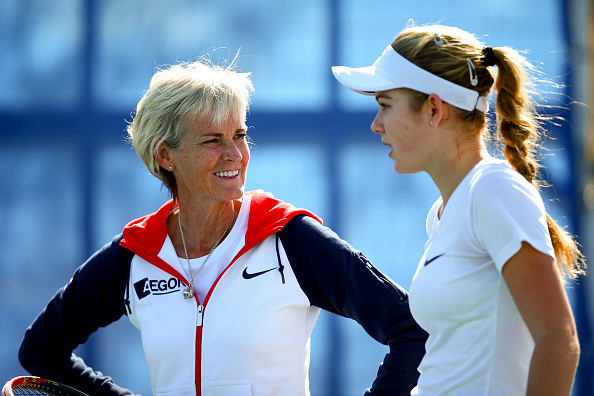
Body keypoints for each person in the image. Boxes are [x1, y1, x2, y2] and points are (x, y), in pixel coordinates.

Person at [18, 56, 427, 396]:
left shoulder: (292, 239)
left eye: (240, 134)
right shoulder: (135, 254)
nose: (235, 154)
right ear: (166, 155)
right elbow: (41, 350)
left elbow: (412, 329)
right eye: (213, 140)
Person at [332, 24, 587, 396]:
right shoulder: (443, 211)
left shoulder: (493, 190)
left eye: (385, 105)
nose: (375, 124)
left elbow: (559, 340)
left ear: (434, 108)